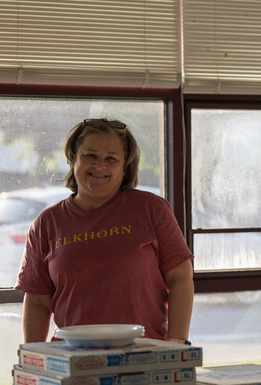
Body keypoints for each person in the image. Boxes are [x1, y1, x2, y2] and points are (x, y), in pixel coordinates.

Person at [16, 118, 194, 344]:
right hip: (72, 359)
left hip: (143, 354)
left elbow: (180, 278)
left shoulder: (152, 209)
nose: (99, 166)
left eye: (111, 159)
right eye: (90, 156)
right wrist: (34, 358)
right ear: (73, 159)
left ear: (124, 166)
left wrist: (177, 343)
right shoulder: (46, 223)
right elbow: (37, 302)